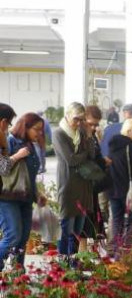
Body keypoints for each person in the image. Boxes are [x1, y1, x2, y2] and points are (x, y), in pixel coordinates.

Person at [1, 111, 47, 270]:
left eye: (41, 129)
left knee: (22, 239)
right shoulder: (10, 141)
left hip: (26, 199)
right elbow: (2, 169)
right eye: (36, 129)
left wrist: (37, 195)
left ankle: (18, 274)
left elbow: (29, 176)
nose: (39, 133)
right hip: (8, 198)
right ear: (25, 127)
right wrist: (17, 156)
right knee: (13, 236)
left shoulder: (31, 146)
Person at [52, 102, 94, 257]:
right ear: (67, 115)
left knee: (77, 231)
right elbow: (70, 160)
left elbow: (93, 155)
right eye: (76, 119)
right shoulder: (59, 133)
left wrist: (89, 137)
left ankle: (73, 263)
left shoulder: (82, 134)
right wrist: (84, 156)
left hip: (83, 186)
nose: (79, 123)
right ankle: (62, 263)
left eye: (82, 120)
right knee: (66, 229)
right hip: (68, 185)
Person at [106, 118, 132, 252]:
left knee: (116, 218)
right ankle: (129, 246)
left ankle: (114, 247)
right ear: (129, 131)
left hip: (113, 186)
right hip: (129, 188)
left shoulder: (112, 144)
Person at [78, 105, 110, 248]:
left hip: (93, 185)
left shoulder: (92, 136)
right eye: (90, 124)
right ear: (83, 120)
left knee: (92, 218)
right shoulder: (79, 136)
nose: (93, 127)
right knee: (83, 220)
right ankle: (81, 253)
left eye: (96, 124)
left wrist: (103, 161)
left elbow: (96, 156)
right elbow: (87, 159)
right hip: (82, 184)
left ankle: (88, 252)